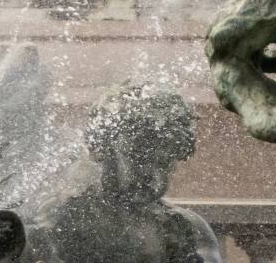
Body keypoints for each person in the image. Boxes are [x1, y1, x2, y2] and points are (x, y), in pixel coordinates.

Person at [30, 83, 221, 263]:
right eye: (138, 156)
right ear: (100, 148)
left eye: (164, 162)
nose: (151, 173)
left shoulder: (186, 228)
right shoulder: (64, 217)